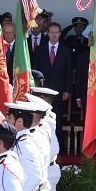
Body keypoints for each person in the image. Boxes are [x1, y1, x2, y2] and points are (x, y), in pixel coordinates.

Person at [35, 22, 73, 150]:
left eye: (56, 32)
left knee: (57, 120)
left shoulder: (66, 50)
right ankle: (42, 147)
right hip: (42, 93)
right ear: (48, 33)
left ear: (60, 34)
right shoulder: (40, 49)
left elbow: (68, 72)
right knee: (41, 120)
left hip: (59, 92)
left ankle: (57, 149)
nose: (54, 35)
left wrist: (67, 90)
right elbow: (35, 71)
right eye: (51, 32)